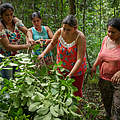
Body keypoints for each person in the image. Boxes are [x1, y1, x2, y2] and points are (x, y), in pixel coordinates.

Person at [38, 15, 87, 98]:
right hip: (61, 68)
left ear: (75, 28)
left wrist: (70, 74)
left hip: (76, 70)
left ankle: (77, 110)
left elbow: (80, 59)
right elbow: (52, 43)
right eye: (64, 28)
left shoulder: (80, 37)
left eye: (68, 30)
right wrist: (43, 53)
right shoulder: (59, 32)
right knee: (61, 91)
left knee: (75, 93)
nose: (65, 31)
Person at [91, 18, 120, 120]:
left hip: (118, 82)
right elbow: (100, 55)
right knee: (107, 103)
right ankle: (108, 116)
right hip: (104, 79)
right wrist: (94, 66)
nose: (110, 34)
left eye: (113, 32)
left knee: (117, 106)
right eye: (108, 31)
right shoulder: (105, 40)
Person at [0, 3, 32, 80]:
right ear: (1, 15)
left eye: (11, 14)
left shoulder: (15, 20)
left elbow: (27, 31)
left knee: (19, 77)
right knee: (8, 80)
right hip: (5, 58)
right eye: (6, 15)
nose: (9, 17)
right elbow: (7, 46)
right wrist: (25, 46)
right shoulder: (0, 26)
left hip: (17, 55)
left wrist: (30, 39)